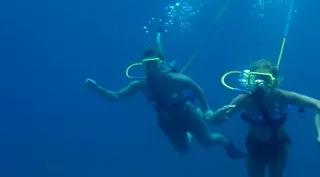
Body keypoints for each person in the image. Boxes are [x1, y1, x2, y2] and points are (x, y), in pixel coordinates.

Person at [209, 59, 320, 177]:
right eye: (256, 79)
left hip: (278, 146)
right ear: (249, 80)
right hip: (255, 147)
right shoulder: (243, 99)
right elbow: (217, 121)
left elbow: (318, 104)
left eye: (266, 79)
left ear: (274, 82)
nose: (260, 84)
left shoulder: (282, 97)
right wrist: (216, 115)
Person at [85, 47, 245, 158]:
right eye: (147, 64)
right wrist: (97, 88)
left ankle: (225, 140)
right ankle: (189, 135)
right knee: (183, 150)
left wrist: (206, 109)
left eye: (154, 62)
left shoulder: (175, 79)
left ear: (161, 63)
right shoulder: (141, 85)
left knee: (208, 141)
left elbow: (196, 88)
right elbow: (117, 97)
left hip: (188, 114)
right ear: (143, 66)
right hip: (167, 123)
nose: (151, 67)